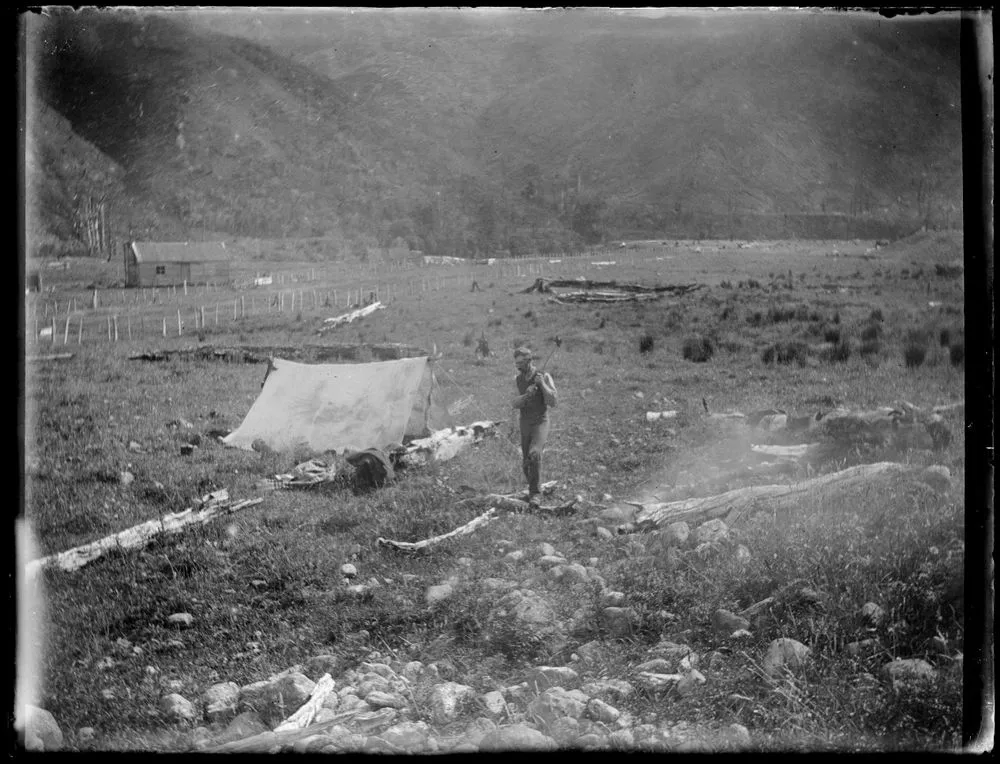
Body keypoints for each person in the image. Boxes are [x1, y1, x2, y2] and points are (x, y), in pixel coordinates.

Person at [511, 346, 557, 505]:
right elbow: (514, 403)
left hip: (540, 421)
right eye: (516, 363)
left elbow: (553, 402)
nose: (517, 366)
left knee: (535, 453)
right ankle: (532, 488)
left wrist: (542, 385)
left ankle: (535, 494)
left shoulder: (544, 376)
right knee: (526, 462)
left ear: (529, 361)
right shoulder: (518, 380)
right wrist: (526, 395)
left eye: (520, 363)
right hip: (524, 422)